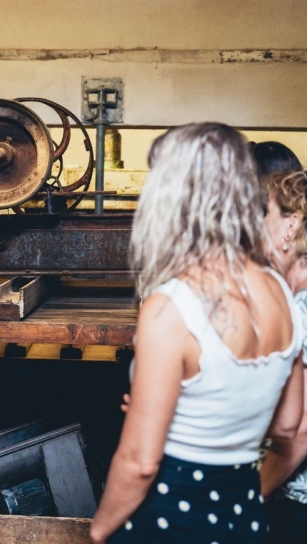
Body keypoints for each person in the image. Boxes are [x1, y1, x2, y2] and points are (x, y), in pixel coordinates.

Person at [89, 123, 304, 544]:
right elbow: (289, 426)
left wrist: (98, 532)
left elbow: (139, 464)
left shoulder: (171, 308)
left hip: (169, 520)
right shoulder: (281, 292)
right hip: (244, 519)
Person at [260, 170, 307, 543]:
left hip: (299, 504)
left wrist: (250, 495)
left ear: (290, 226)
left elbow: (300, 431)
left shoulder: (302, 309)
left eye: (266, 213)